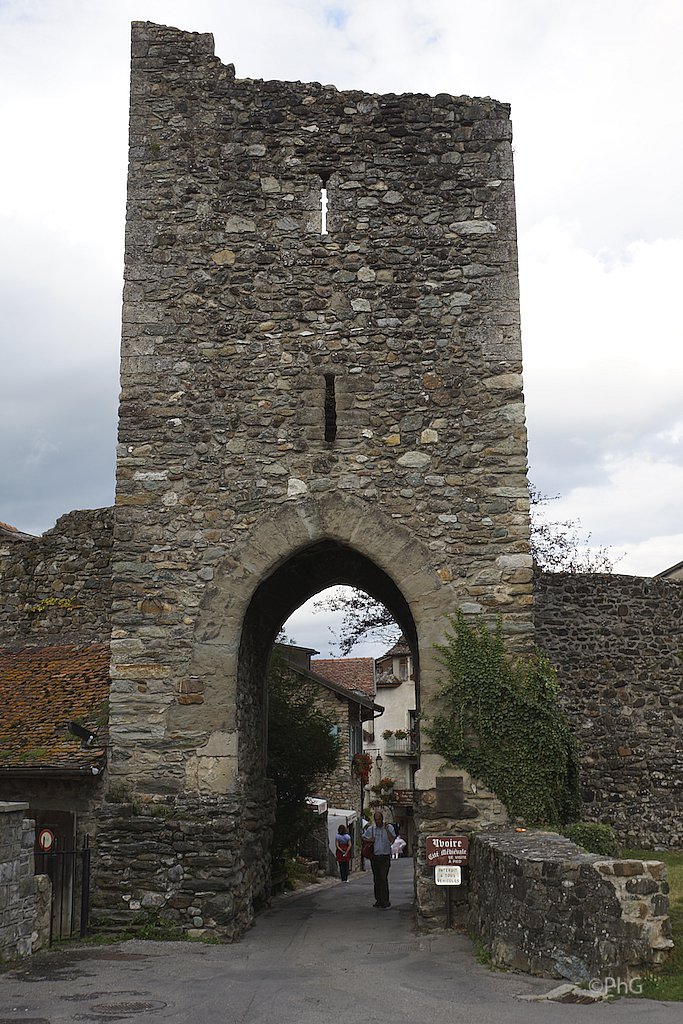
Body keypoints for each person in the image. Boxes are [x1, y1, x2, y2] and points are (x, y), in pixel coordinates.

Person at [362, 811, 395, 908]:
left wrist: (387, 830)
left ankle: (385, 900)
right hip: (375, 857)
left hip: (385, 856)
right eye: (376, 820)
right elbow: (363, 838)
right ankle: (378, 900)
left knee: (383, 878)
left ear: (382, 819)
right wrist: (369, 840)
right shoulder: (371, 829)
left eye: (379, 819)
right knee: (376, 879)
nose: (377, 822)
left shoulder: (389, 828)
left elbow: (392, 840)